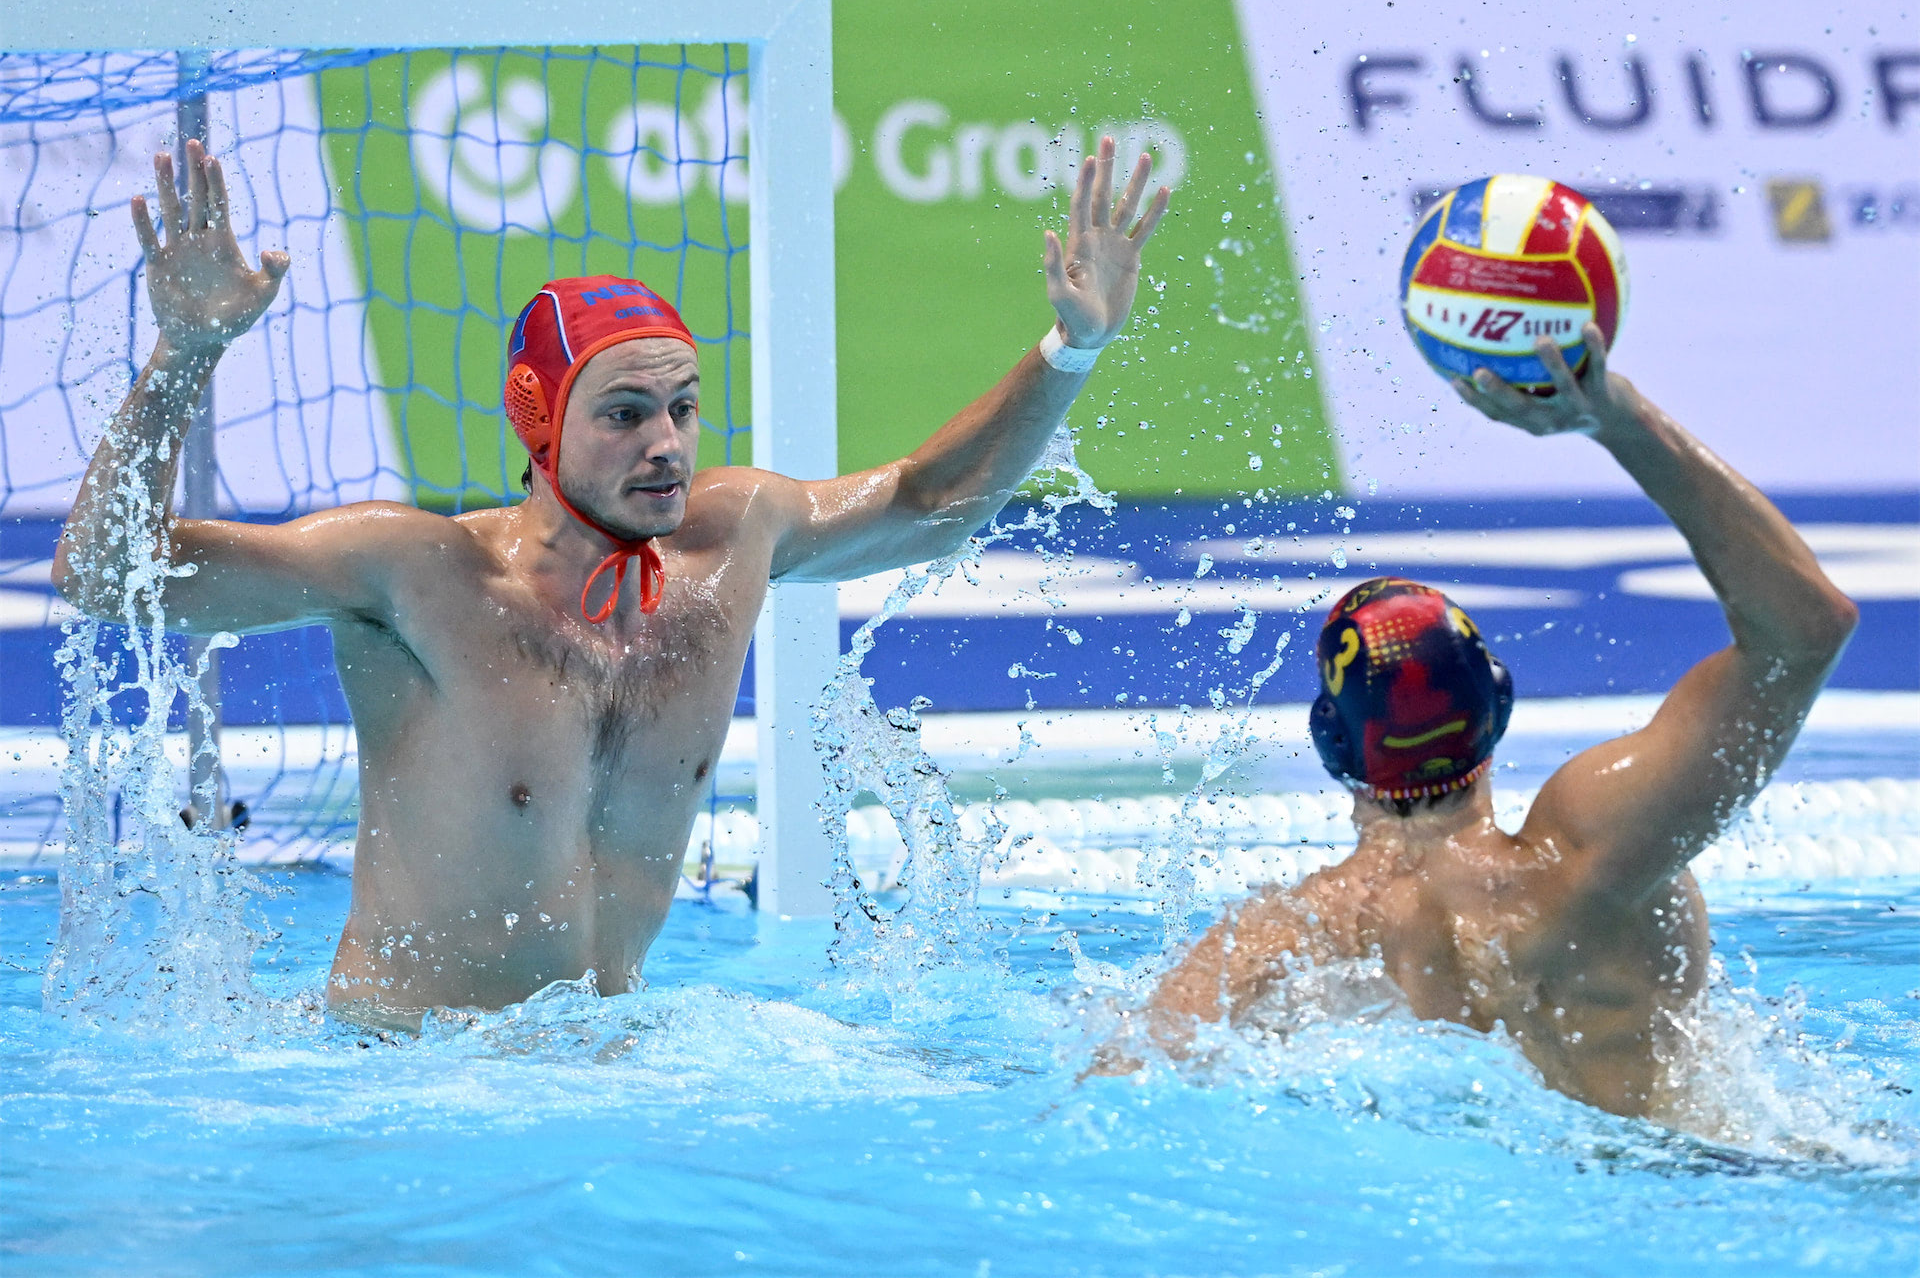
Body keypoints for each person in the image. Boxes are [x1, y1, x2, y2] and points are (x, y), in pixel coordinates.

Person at [54, 136, 1170, 1029]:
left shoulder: (732, 542)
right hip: (403, 1078)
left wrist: (1070, 350)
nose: (668, 446)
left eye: (683, 408)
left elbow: (933, 501)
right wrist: (186, 355)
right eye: (626, 415)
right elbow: (103, 574)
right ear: (541, 424)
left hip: (610, 1062)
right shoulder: (419, 576)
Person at [1092, 326, 1858, 1118]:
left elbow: (1112, 1085)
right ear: (1496, 706)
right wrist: (1621, 421)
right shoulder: (1594, 850)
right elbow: (1806, 629)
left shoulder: (1286, 939)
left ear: (1332, 746)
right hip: (1696, 1180)